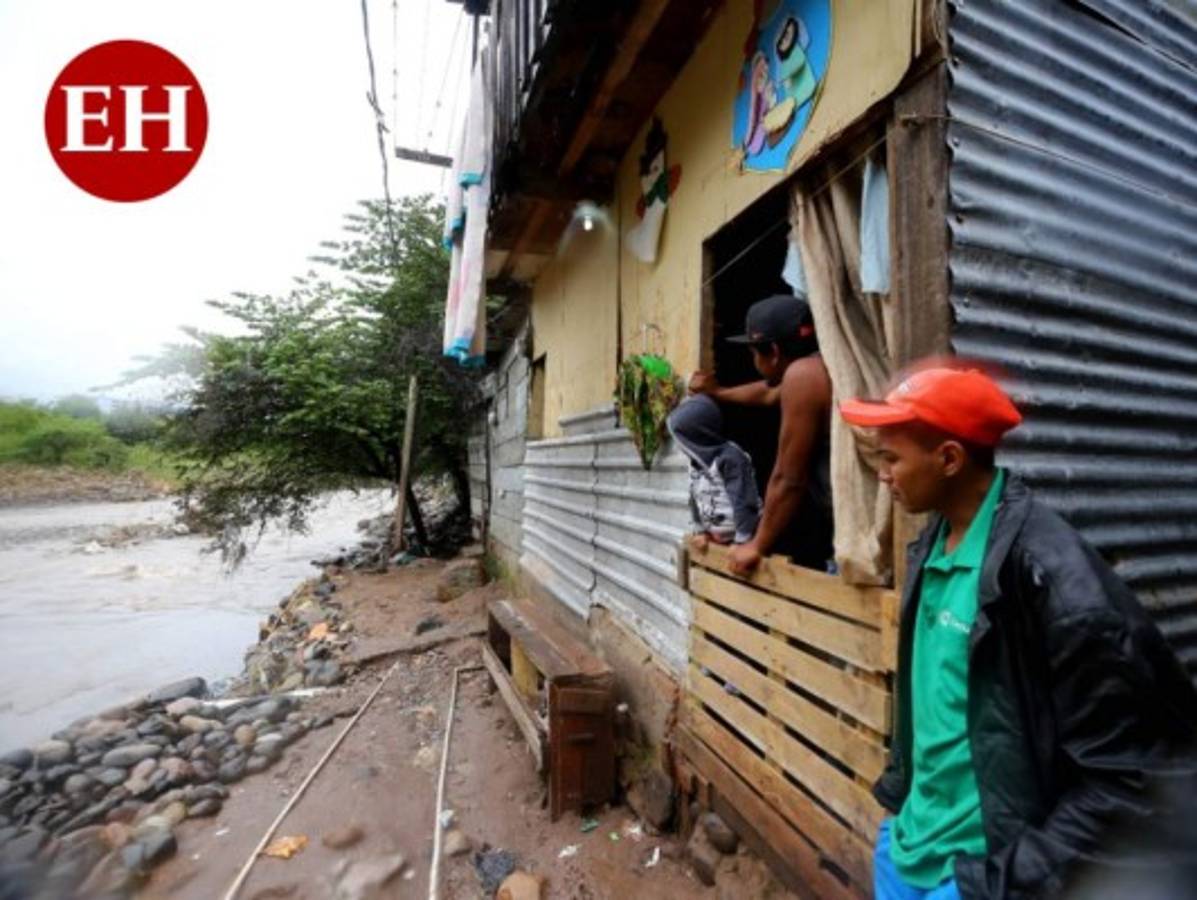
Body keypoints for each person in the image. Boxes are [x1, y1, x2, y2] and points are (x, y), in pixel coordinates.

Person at [840, 364, 1197, 900]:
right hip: (909, 850)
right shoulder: (933, 546)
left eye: (892, 459)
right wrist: (897, 818)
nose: (883, 475)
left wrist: (1001, 883)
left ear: (950, 459)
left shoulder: (1057, 585)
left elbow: (1131, 778)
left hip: (983, 873)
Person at [682, 293, 832, 576]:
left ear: (773, 351)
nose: (752, 360)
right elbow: (768, 393)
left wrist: (757, 544)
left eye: (753, 352)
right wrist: (718, 393)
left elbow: (789, 478)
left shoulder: (803, 377)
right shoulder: (820, 367)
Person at [667, 394, 761, 546]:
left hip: (745, 538)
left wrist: (742, 539)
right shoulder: (694, 465)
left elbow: (744, 501)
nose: (679, 446)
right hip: (716, 540)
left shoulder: (730, 458)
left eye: (681, 439)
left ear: (696, 436)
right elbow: (694, 498)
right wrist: (701, 530)